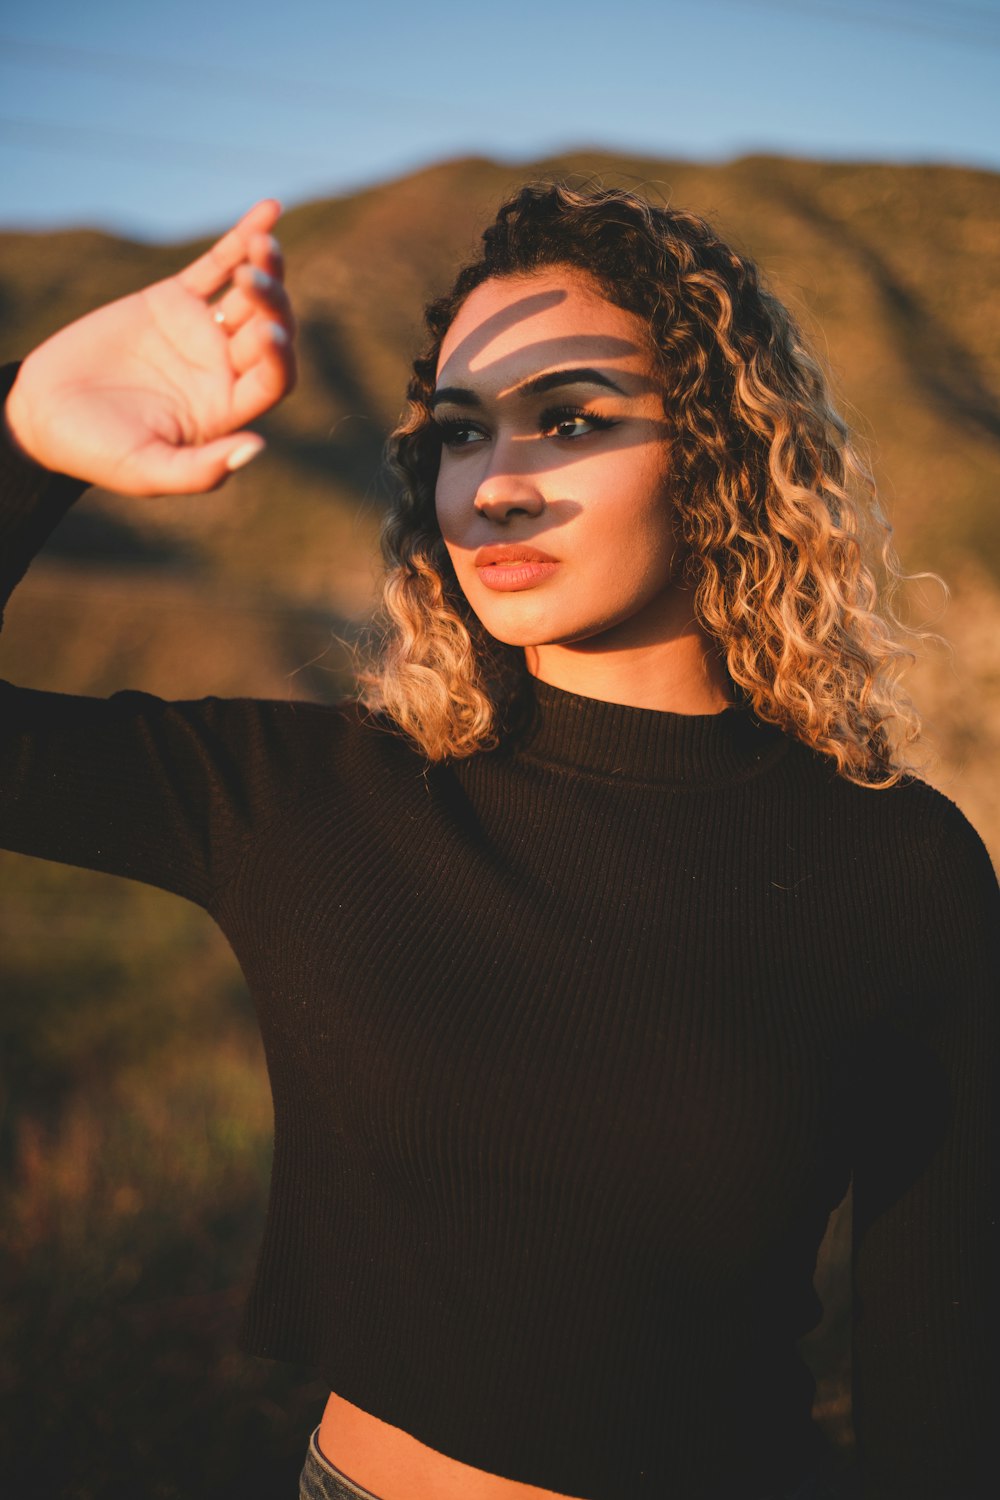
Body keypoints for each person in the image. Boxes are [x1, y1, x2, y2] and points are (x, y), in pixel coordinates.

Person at [1, 185, 996, 1500]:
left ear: (719, 454)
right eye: (460, 436)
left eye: (570, 420)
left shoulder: (900, 868)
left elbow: (946, 1393)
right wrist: (27, 434)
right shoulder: (310, 798)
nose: (499, 485)